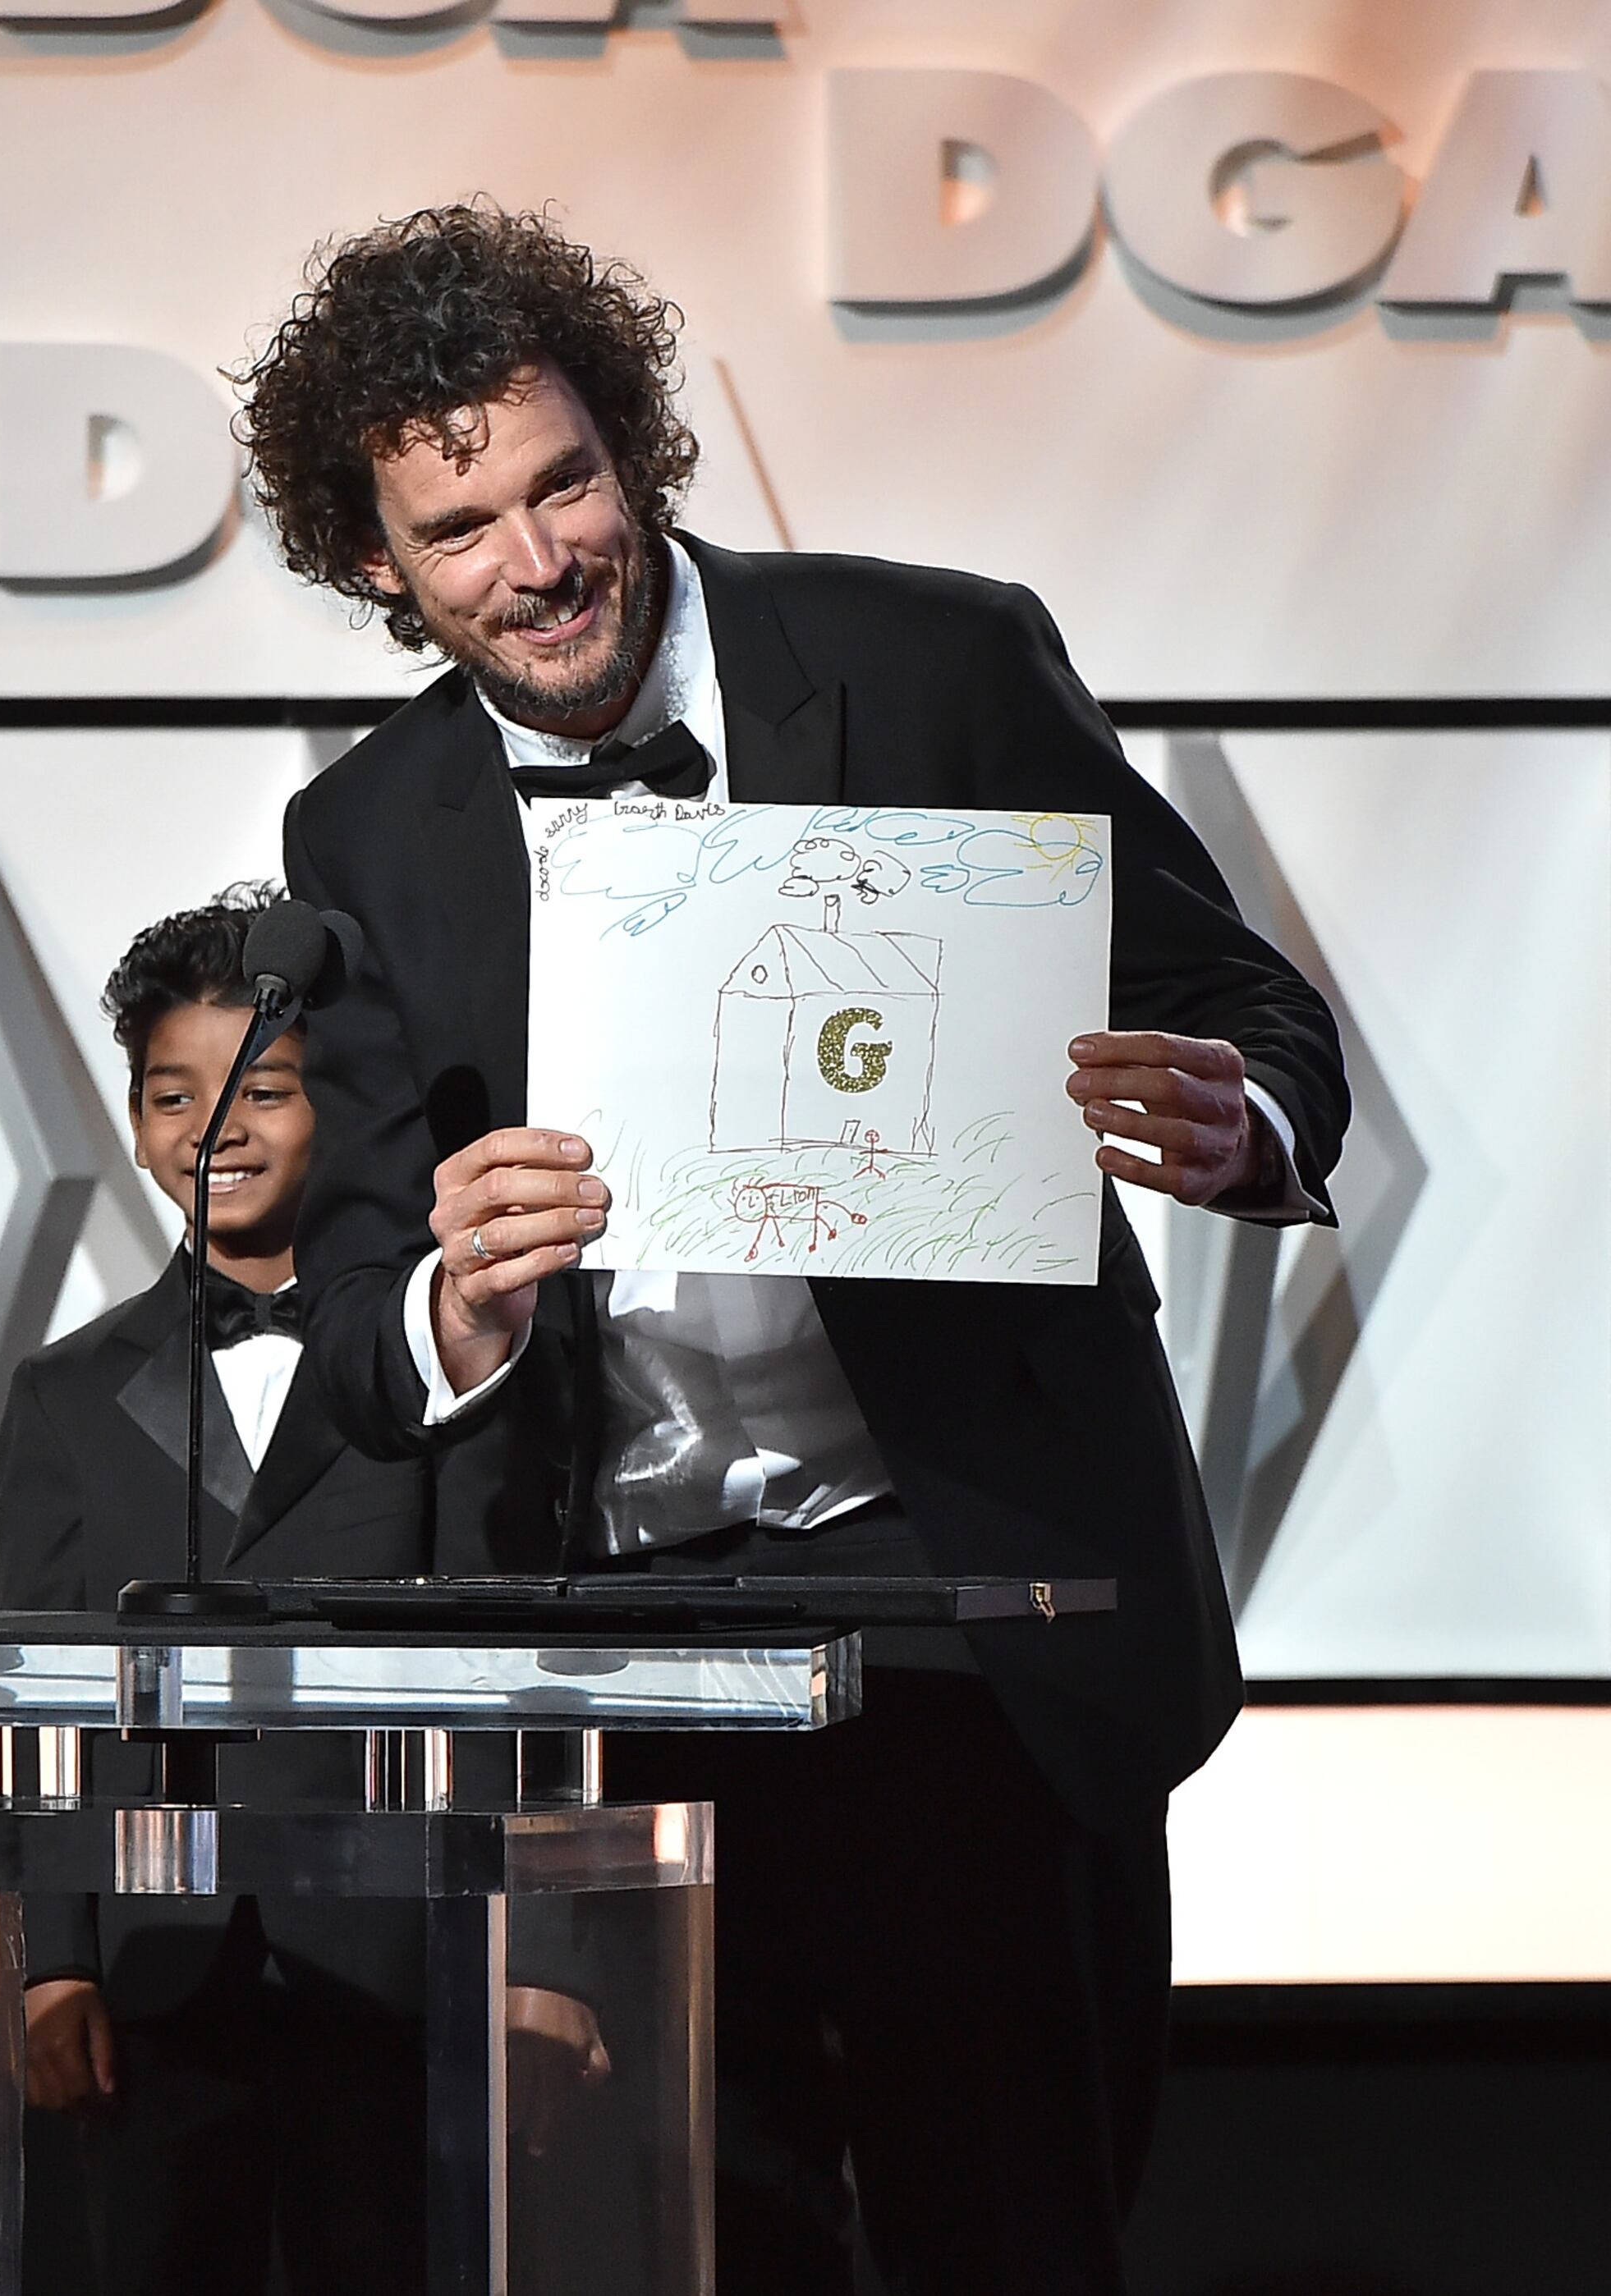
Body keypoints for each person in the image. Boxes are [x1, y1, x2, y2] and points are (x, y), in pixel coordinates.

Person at [238, 204, 1349, 2294]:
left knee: (1010, 2237)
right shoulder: (366, 837)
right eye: (461, 524)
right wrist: (453, 1290)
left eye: (564, 481)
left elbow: (1254, 1004)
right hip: (621, 1666)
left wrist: (1239, 1113)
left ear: (635, 450)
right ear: (378, 565)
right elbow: (363, 1335)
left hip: (967, 1611)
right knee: (681, 2251)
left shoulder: (936, 660)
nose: (538, 558)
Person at [0, 888, 603, 2296]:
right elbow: (45, 1702)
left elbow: (518, 1679)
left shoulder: (449, 1357)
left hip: (398, 1958)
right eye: (173, 1095)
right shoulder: (66, 1393)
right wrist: (48, 1961)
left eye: (261, 1089)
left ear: (334, 1103)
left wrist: (543, 1956)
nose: (217, 1132)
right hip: (155, 1971)